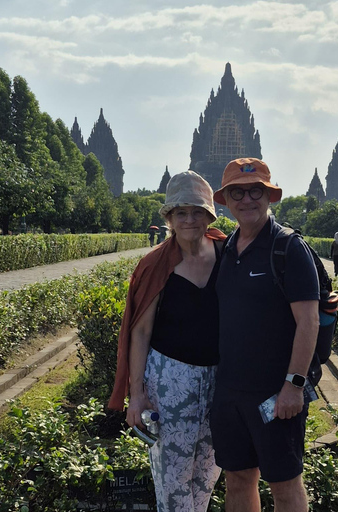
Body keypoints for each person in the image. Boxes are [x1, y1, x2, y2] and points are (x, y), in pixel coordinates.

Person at [109, 170, 226, 512]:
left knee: (207, 474)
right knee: (173, 481)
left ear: (209, 215)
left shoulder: (227, 254)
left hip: (220, 380)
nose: (190, 219)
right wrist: (137, 394)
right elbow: (140, 331)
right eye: (181, 212)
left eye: (197, 211)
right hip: (171, 380)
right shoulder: (156, 264)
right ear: (169, 218)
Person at [210, 158, 320, 512]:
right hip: (230, 391)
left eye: (256, 190)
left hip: (276, 393)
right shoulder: (226, 248)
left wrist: (294, 384)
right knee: (238, 479)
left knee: (285, 483)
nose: (247, 199)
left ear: (269, 196)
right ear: (225, 200)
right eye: (237, 193)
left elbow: (309, 322)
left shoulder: (287, 248)